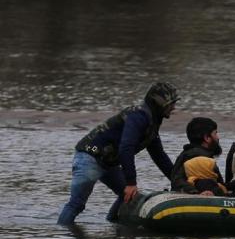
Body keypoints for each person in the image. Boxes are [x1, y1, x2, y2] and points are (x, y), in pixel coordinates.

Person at [57, 83, 179, 225]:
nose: (174, 107)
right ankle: (63, 234)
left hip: (108, 163)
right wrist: (131, 183)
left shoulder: (151, 122)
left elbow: (159, 156)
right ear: (159, 103)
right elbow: (126, 148)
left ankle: (112, 225)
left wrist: (177, 182)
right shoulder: (138, 116)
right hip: (89, 158)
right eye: (171, 103)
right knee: (77, 204)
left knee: (129, 197)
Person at [171, 117, 227, 196]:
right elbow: (179, 181)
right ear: (207, 138)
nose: (218, 137)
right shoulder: (199, 157)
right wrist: (196, 193)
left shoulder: (186, 153)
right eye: (215, 133)